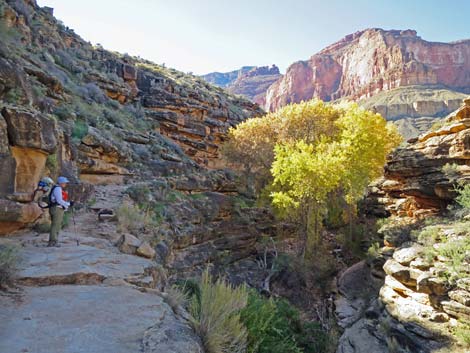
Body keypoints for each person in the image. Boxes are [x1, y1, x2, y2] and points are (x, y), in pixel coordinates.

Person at [48, 176, 73, 247]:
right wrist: (68, 204)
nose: (65, 184)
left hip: (56, 208)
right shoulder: (58, 189)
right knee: (55, 225)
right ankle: (53, 242)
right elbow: (59, 200)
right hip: (57, 208)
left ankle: (54, 240)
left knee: (57, 225)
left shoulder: (56, 188)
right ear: (61, 183)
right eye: (65, 182)